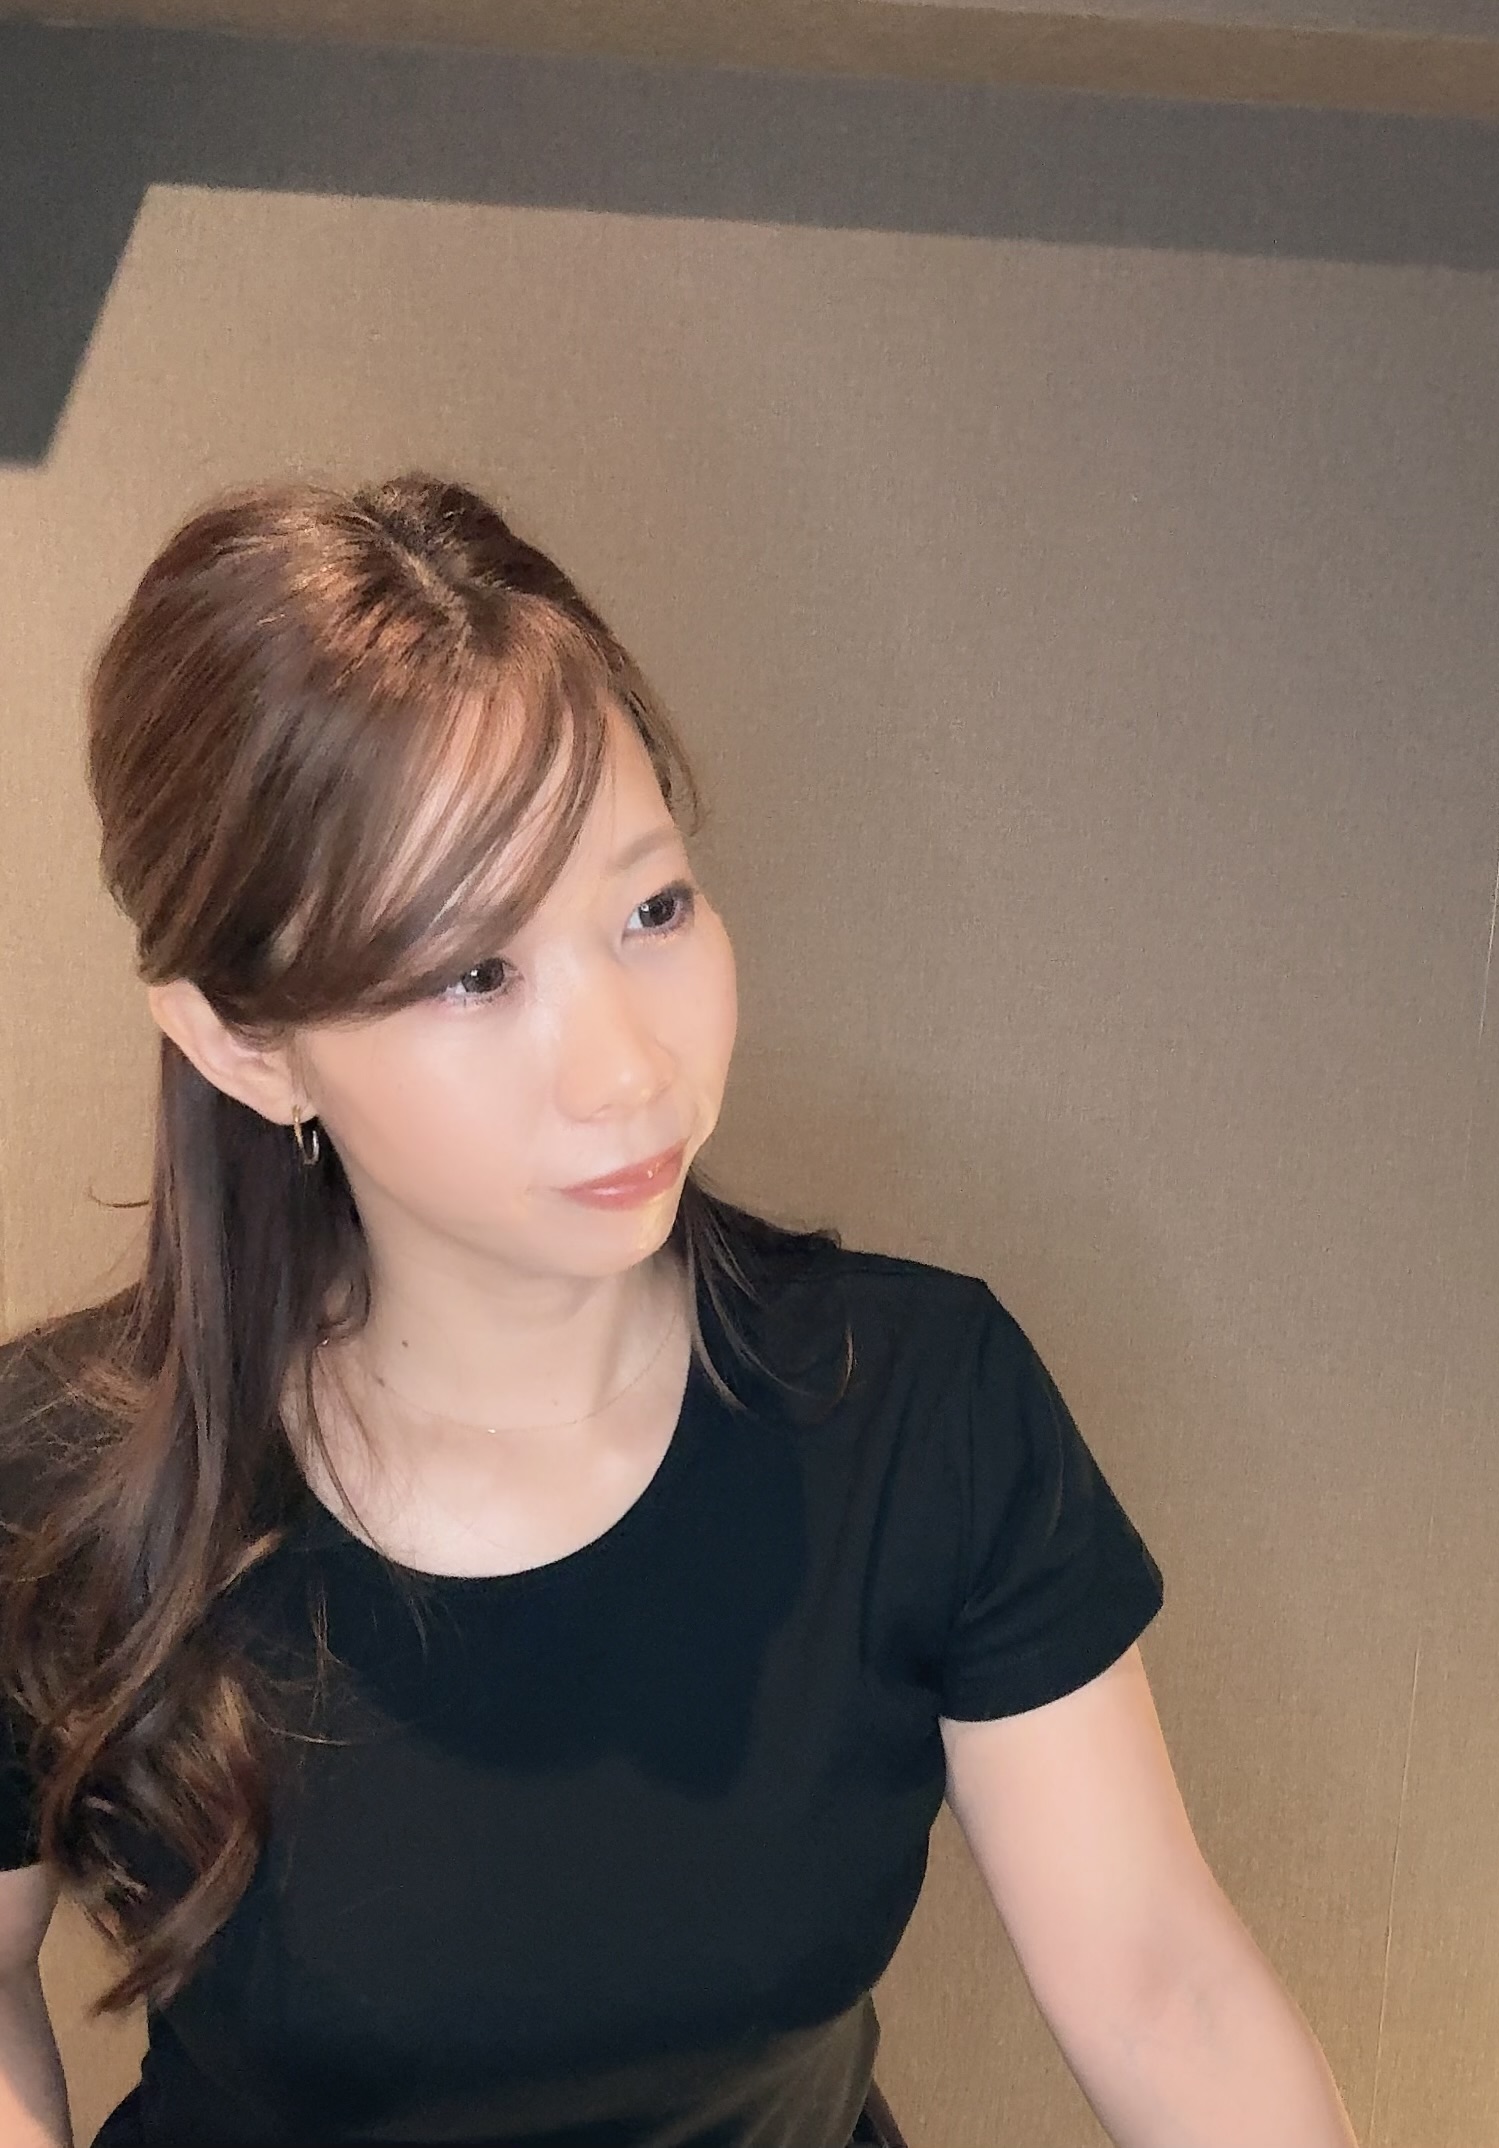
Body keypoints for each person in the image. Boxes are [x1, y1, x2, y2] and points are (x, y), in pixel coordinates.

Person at [0, 476, 1358, 2148]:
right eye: (476, 972)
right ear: (244, 1041)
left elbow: (1163, 1988)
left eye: (651, 910)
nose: (630, 1069)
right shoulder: (54, 1480)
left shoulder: (914, 1409)